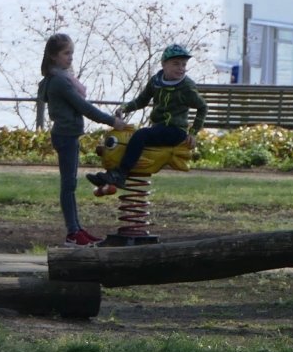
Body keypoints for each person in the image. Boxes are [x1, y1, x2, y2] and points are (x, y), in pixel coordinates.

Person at [36, 33, 128, 247]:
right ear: (53, 56)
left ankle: (77, 229)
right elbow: (84, 107)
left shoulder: (59, 78)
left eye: (71, 53)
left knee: (71, 185)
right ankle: (72, 233)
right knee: (68, 186)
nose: (70, 58)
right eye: (66, 53)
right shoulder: (59, 81)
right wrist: (112, 122)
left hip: (68, 135)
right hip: (65, 136)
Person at [86, 44, 208, 191]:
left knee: (141, 135)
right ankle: (111, 175)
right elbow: (142, 100)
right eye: (176, 64)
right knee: (129, 138)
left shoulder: (187, 87)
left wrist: (193, 132)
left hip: (175, 130)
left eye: (184, 64)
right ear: (164, 64)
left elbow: (202, 107)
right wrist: (125, 108)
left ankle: (120, 174)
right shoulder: (156, 81)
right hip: (159, 128)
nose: (181, 68)